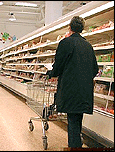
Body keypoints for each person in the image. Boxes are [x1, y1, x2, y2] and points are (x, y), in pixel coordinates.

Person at [46, 16, 99, 148]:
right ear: (82, 28)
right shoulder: (88, 45)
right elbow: (95, 69)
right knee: (77, 120)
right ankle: (76, 145)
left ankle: (75, 146)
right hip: (84, 91)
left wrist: (51, 73)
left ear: (70, 27)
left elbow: (58, 66)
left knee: (73, 122)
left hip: (70, 89)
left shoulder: (65, 43)